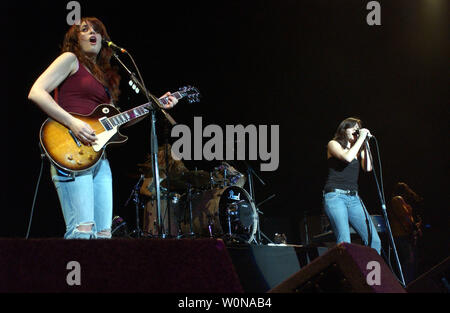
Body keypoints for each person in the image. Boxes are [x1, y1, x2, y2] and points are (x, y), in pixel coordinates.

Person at [28, 17, 178, 239]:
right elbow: (36, 92)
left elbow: (118, 122)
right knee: (82, 229)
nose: (93, 33)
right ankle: (73, 273)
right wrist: (72, 122)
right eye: (85, 29)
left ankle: (95, 274)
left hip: (98, 157)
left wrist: (154, 106)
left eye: (97, 31)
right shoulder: (70, 60)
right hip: (71, 148)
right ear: (75, 39)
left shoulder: (103, 79)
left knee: (103, 233)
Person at [323, 117, 381, 254]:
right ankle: (347, 274)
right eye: (353, 127)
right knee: (345, 242)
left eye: (358, 128)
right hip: (335, 197)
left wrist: (365, 143)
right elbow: (347, 157)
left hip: (354, 199)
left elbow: (368, 168)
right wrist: (361, 138)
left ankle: (368, 275)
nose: (356, 130)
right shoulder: (333, 144)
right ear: (344, 129)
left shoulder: (358, 148)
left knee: (375, 241)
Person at [139, 143, 189, 237]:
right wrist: (155, 196)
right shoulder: (153, 171)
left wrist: (175, 195)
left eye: (162, 157)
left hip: (169, 204)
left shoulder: (172, 172)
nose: (160, 159)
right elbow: (142, 190)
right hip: (155, 204)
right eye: (159, 157)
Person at [389, 182, 423, 284]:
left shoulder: (400, 200)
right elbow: (404, 216)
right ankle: (406, 284)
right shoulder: (397, 199)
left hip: (404, 234)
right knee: (409, 260)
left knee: (411, 261)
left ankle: (408, 283)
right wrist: (414, 228)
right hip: (400, 235)